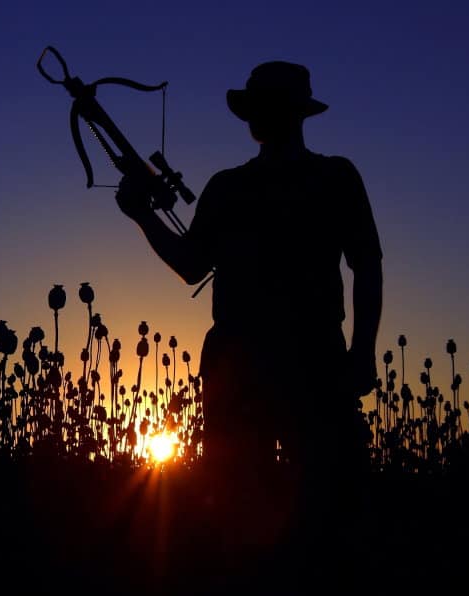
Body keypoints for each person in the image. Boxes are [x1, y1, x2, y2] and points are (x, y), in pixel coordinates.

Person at [116, 61, 383, 589]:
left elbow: (367, 264)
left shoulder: (326, 178)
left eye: (265, 109)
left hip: (300, 362)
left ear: (278, 115)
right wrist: (143, 215)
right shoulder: (239, 186)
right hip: (258, 365)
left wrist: (364, 350)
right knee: (254, 513)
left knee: (320, 508)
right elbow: (194, 264)